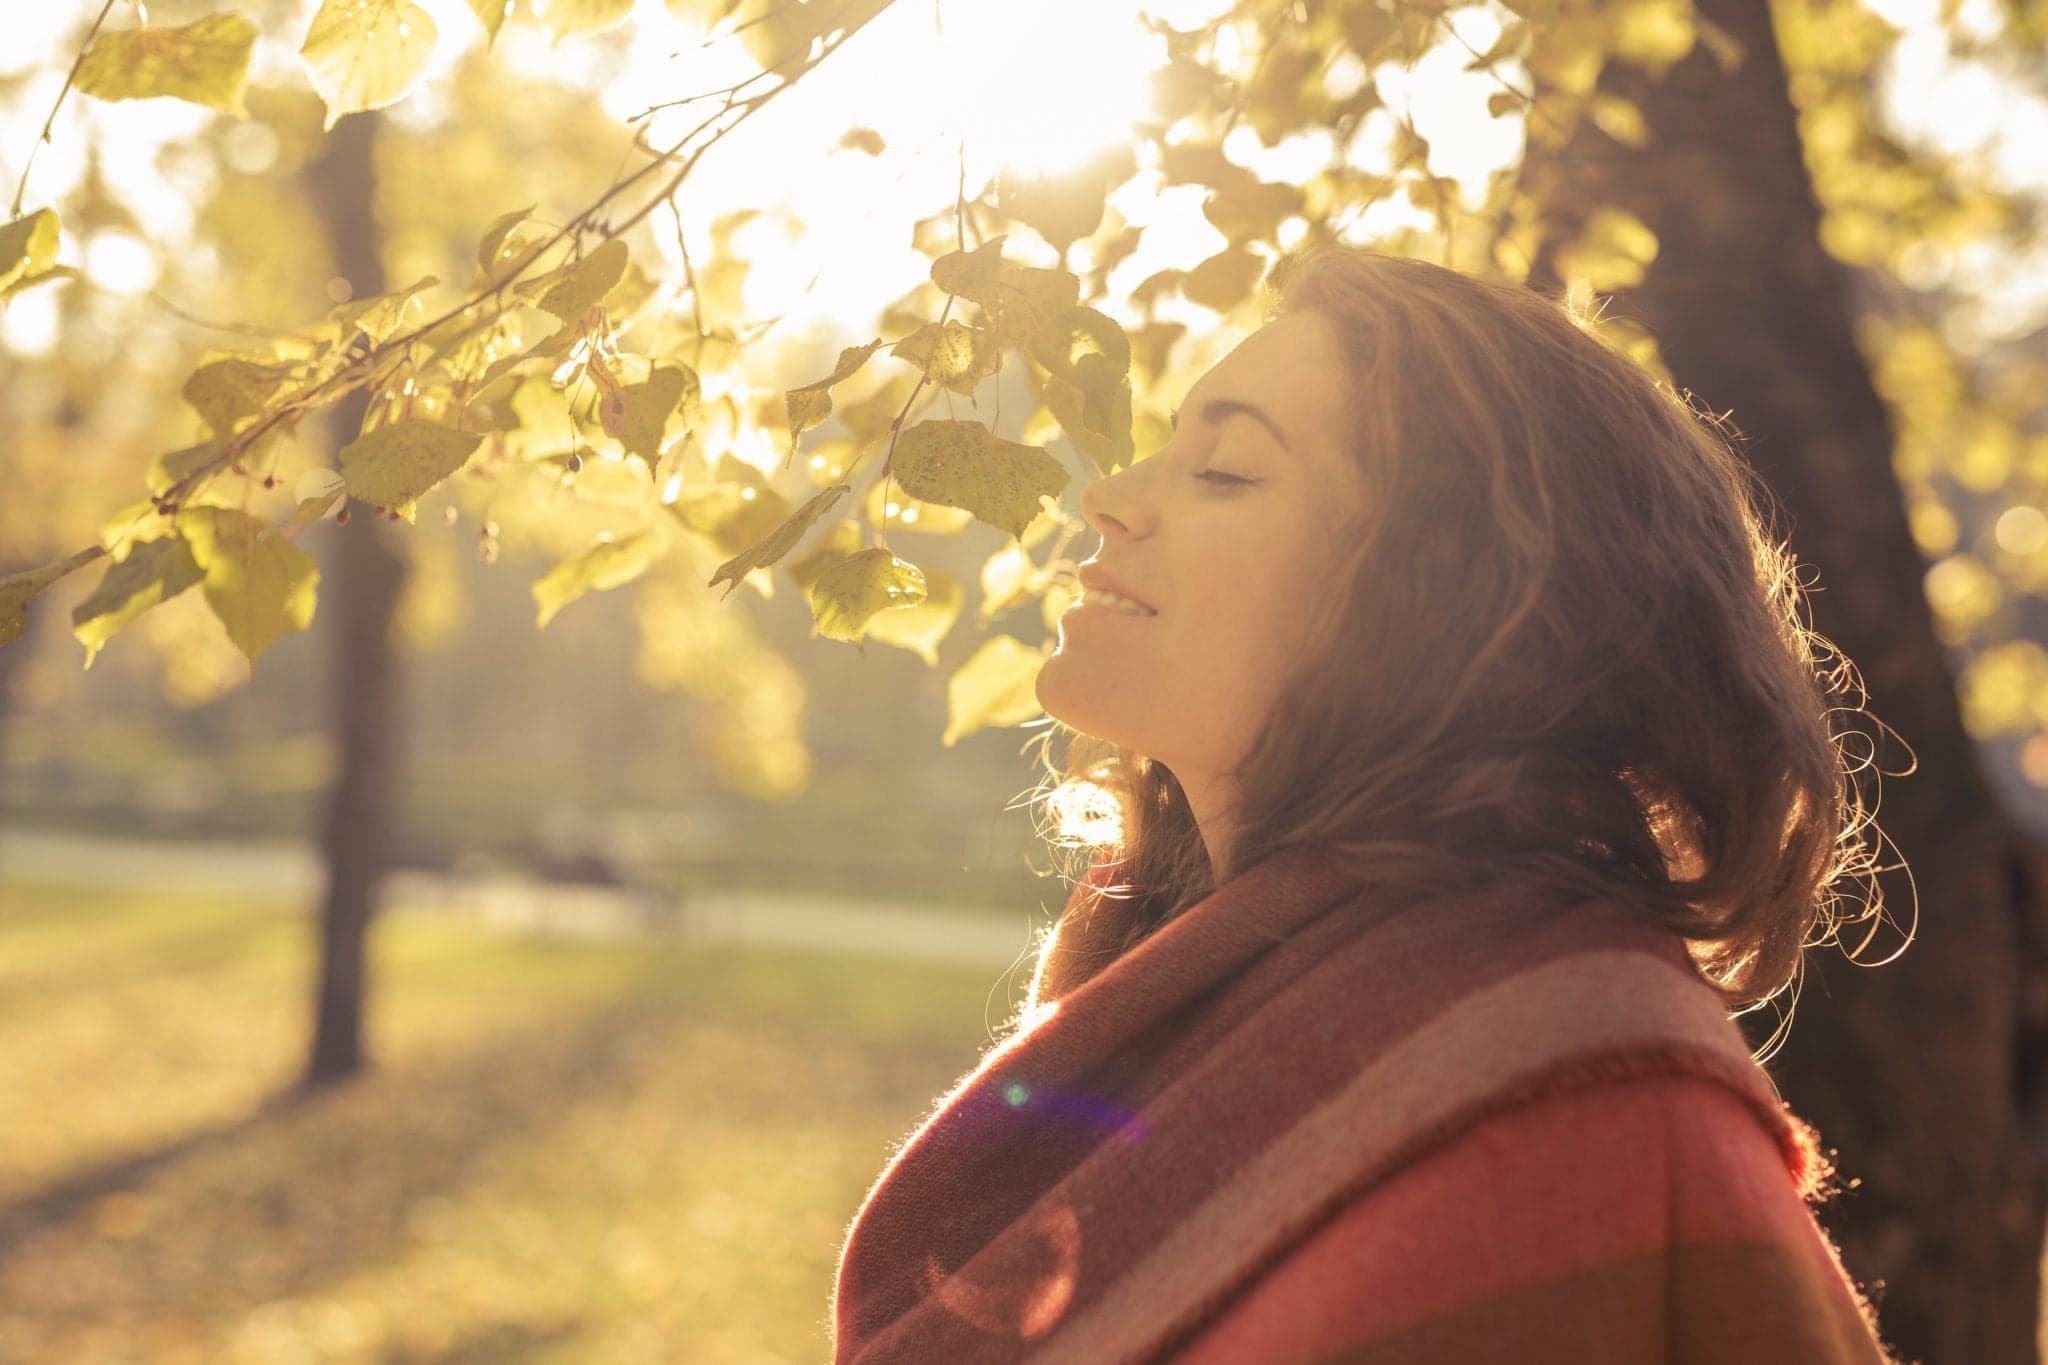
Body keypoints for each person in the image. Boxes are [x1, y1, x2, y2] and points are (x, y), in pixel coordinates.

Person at [830, 246, 1909, 1363]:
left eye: (1227, 472)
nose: (1106, 499)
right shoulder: (1165, 1003)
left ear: (1442, 598)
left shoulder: (1576, 1105)